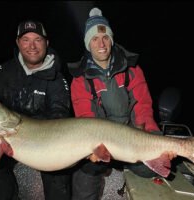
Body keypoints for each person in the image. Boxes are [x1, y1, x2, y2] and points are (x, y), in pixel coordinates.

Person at [0, 20, 72, 200]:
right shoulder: (6, 71)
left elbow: (59, 115)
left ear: (47, 43)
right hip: (8, 133)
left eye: (37, 39)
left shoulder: (57, 79)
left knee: (58, 176)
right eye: (26, 40)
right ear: (18, 43)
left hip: (44, 142)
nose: (32, 46)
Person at [69, 8, 161, 200]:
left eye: (105, 37)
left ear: (111, 39)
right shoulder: (79, 80)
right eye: (94, 38)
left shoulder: (132, 69)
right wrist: (93, 148)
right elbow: (86, 118)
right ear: (88, 44)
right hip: (100, 140)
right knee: (84, 172)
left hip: (131, 137)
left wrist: (150, 135)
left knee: (150, 169)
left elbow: (143, 107)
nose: (101, 43)